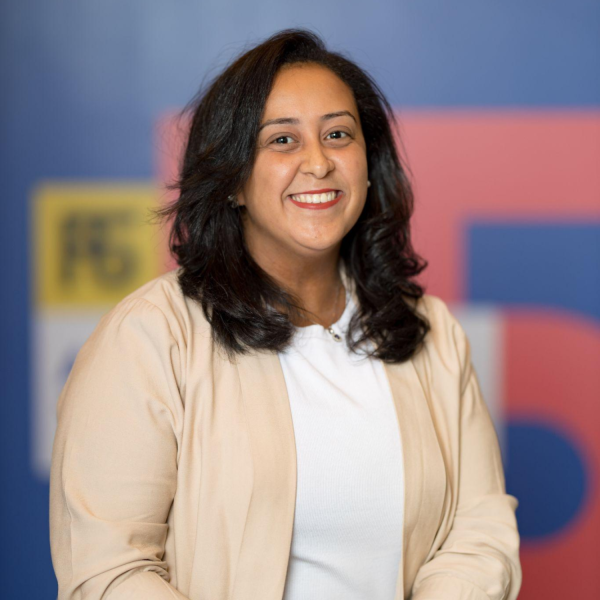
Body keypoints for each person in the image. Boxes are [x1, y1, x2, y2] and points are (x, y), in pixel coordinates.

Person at [49, 29, 521, 600]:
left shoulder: (432, 333)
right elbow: (110, 570)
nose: (318, 163)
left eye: (338, 135)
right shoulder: (150, 336)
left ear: (369, 164)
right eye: (282, 140)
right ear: (232, 180)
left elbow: (479, 532)